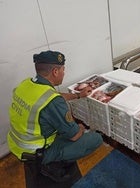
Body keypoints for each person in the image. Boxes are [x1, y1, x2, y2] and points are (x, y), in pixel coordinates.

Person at [8, 50, 103, 182]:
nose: (64, 73)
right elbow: (75, 135)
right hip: (38, 153)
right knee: (96, 139)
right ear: (55, 72)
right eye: (63, 69)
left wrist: (78, 95)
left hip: (17, 145)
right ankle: (52, 164)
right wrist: (81, 127)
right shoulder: (53, 101)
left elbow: (53, 96)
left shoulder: (26, 84)